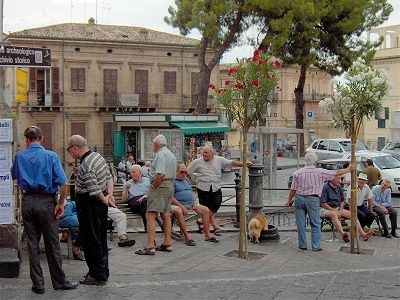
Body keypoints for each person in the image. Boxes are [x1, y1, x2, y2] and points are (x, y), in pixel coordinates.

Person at [11, 125, 78, 294]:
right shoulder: (51, 156)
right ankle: (59, 281)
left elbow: (14, 176)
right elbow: (63, 184)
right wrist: (61, 203)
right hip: (46, 202)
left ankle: (38, 285)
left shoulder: (19, 156)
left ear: (26, 140)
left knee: (32, 244)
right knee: (52, 243)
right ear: (42, 138)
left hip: (27, 201)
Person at [67, 134, 115, 285]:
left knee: (90, 240)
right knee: (100, 239)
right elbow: (109, 177)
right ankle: (102, 271)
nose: (69, 153)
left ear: (75, 147)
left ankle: (97, 275)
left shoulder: (86, 164)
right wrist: (110, 196)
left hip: (89, 204)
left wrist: (105, 199)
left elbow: (94, 190)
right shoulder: (98, 156)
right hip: (99, 204)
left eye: (69, 150)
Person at [285, 153, 354, 252]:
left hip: (299, 198)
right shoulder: (320, 172)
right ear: (315, 162)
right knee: (315, 223)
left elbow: (293, 189)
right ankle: (315, 246)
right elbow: (336, 173)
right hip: (313, 199)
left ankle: (302, 244)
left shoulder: (297, 173)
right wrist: (348, 169)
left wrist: (288, 201)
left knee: (300, 223)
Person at [187, 145, 252, 236]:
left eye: (206, 153)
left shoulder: (219, 160)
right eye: (203, 153)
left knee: (217, 203)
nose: (204, 154)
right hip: (203, 188)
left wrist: (244, 164)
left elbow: (231, 163)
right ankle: (211, 228)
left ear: (212, 153)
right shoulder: (197, 162)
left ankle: (202, 221)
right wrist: (196, 177)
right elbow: (188, 171)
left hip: (215, 187)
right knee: (206, 208)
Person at [135, 135, 177, 255]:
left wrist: (153, 187)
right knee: (166, 215)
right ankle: (167, 243)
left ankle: (150, 246)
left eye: (153, 144)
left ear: (157, 144)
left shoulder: (161, 154)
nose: (153, 147)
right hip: (169, 186)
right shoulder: (171, 154)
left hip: (160, 185)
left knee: (150, 215)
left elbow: (160, 174)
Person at [171, 163, 219, 245]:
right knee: (179, 211)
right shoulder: (173, 181)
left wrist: (194, 201)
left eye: (185, 172)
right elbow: (171, 197)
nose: (184, 174)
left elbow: (191, 193)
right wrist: (181, 206)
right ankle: (187, 237)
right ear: (176, 171)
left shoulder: (186, 180)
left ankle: (207, 235)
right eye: (181, 172)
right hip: (178, 204)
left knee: (206, 210)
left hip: (190, 204)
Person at [320, 177, 373, 242]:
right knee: (333, 214)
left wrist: (341, 210)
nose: (340, 181)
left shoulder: (338, 186)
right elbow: (323, 203)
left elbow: (342, 200)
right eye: (338, 179)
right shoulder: (325, 187)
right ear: (331, 179)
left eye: (340, 179)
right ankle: (343, 234)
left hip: (337, 208)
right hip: (325, 208)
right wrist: (334, 210)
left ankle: (363, 234)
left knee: (352, 214)